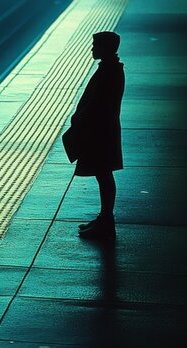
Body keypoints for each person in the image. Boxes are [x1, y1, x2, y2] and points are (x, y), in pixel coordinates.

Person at [62, 31, 125, 240]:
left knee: (104, 174)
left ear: (106, 48)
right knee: (103, 173)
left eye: (95, 45)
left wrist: (81, 119)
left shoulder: (110, 72)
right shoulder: (110, 69)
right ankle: (104, 218)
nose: (92, 49)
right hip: (101, 131)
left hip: (101, 133)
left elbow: (99, 104)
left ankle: (107, 221)